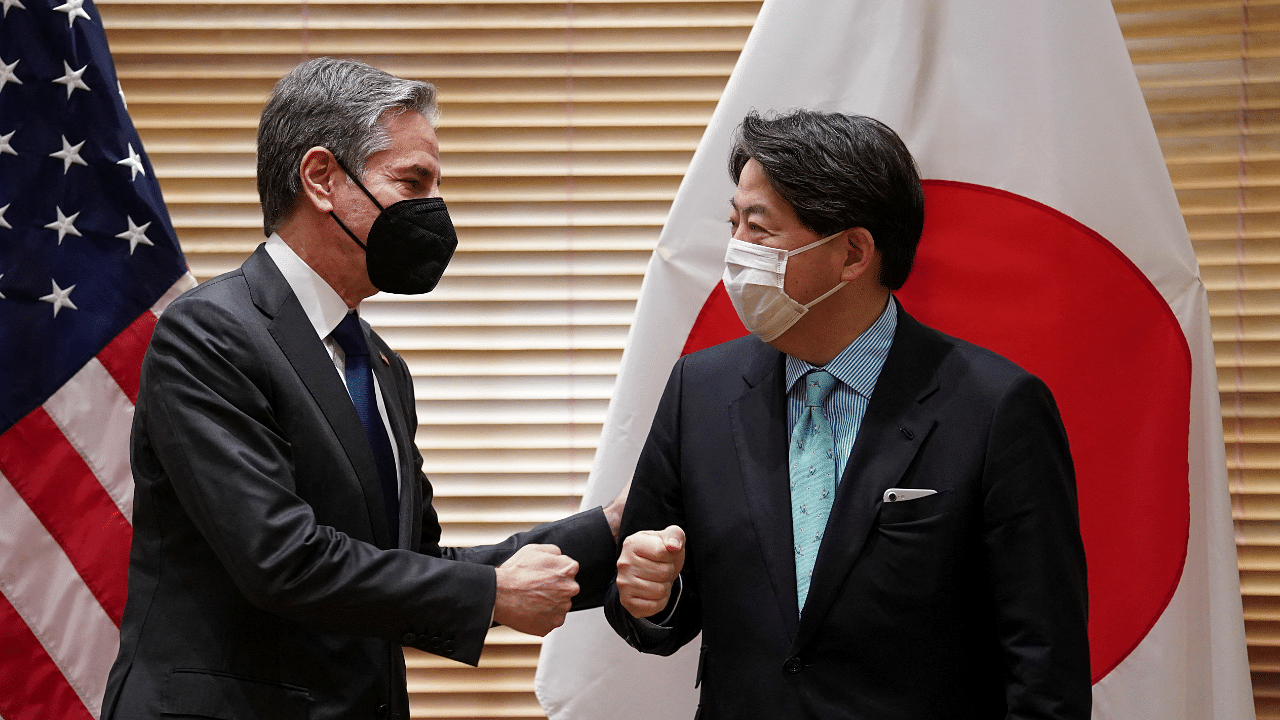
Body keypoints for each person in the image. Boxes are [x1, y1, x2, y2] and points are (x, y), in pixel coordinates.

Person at [101, 57, 623, 720]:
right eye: (414, 180)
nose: (435, 210)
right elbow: (281, 558)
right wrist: (491, 592)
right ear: (322, 178)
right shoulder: (210, 333)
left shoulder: (377, 364)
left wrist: (606, 530)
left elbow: (407, 568)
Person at [605, 110, 1091, 719]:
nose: (736, 252)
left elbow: (1045, 662)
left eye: (759, 229)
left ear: (854, 253)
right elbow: (652, 603)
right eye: (734, 225)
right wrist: (652, 595)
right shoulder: (700, 391)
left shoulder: (996, 407)